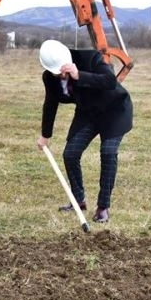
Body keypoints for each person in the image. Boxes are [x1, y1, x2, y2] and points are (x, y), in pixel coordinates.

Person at [36, 39, 133, 224]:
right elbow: (50, 104)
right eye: (57, 73)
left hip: (114, 110)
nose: (62, 75)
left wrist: (79, 75)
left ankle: (103, 207)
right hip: (88, 113)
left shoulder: (90, 58)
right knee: (70, 153)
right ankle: (78, 200)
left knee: (108, 152)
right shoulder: (49, 78)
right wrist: (45, 135)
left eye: (63, 71)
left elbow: (110, 81)